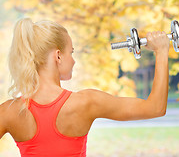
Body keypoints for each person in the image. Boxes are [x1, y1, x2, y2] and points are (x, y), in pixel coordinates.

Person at [0, 17, 170, 157]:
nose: (73, 60)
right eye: (71, 52)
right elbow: (155, 108)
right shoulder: (87, 102)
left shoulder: (9, 111)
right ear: (58, 56)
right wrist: (161, 51)